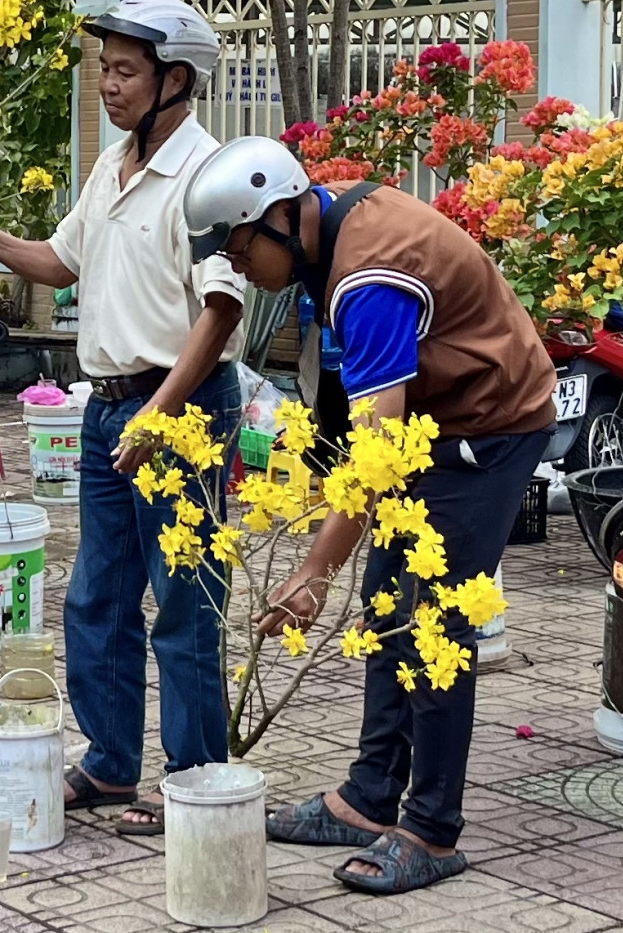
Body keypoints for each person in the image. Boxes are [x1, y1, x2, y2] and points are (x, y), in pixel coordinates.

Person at [181, 135, 555, 895]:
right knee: (389, 604)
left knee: (431, 618)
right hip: (437, 420)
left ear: (281, 216)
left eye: (238, 244)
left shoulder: (369, 277)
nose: (235, 264)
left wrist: (314, 569)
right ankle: (367, 797)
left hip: (491, 422)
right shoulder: (325, 218)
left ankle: (431, 828)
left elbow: (377, 452)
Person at [0, 0, 246, 836]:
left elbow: (220, 314)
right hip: (106, 410)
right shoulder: (111, 167)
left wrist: (161, 415)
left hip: (177, 409)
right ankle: (112, 764)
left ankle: (192, 778)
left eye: (124, 70)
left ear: (175, 79)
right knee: (96, 599)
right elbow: (61, 260)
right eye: (103, 68)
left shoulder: (206, 179)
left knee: (184, 603)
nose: (106, 84)